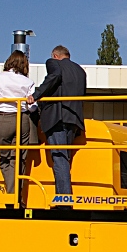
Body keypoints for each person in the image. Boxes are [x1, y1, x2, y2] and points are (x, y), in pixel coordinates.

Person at [27, 45, 86, 196]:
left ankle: (64, 198)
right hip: (74, 118)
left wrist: (36, 94)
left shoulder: (54, 63)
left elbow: (54, 76)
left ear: (55, 55)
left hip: (57, 116)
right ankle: (64, 195)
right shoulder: (80, 71)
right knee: (65, 159)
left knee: (59, 158)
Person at [0, 51, 37, 195]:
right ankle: (17, 194)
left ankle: (11, 194)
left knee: (4, 158)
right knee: (18, 159)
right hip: (23, 119)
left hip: (5, 118)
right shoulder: (28, 82)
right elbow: (34, 107)